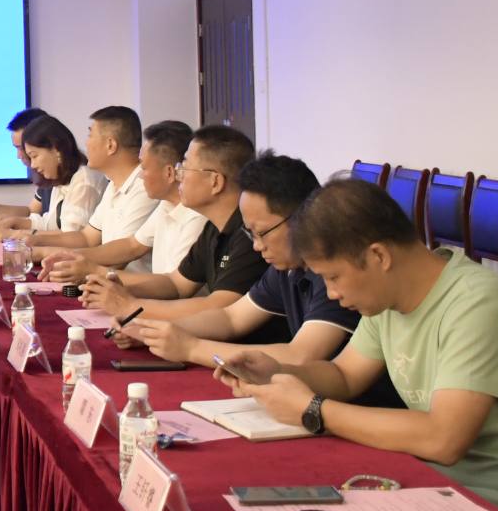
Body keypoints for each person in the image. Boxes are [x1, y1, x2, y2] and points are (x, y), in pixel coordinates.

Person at [220, 178, 498, 511]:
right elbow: (344, 375)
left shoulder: (478, 305)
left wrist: (312, 409)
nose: (331, 293)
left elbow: (444, 439)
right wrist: (277, 372)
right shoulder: (388, 299)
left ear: (379, 256)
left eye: (333, 277)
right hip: (441, 488)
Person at [122, 150, 354, 366]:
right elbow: (231, 318)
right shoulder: (286, 268)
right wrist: (154, 332)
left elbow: (300, 355)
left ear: (302, 218)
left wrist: (191, 348)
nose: (256, 246)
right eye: (250, 233)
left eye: (262, 233)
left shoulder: (333, 273)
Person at [79, 125, 266, 321]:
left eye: (184, 168)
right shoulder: (213, 227)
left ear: (215, 182)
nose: (178, 175)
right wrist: (122, 290)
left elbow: (219, 307)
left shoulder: (249, 233)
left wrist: (130, 306)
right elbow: (176, 283)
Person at [42, 119, 204, 282]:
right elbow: (132, 245)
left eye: (144, 168)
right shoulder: (166, 204)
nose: (141, 175)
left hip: (152, 294)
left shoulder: (196, 216)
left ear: (169, 173)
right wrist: (71, 256)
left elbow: (174, 286)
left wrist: (94, 270)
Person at [24, 107, 157, 263]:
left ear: (110, 145)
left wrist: (43, 253)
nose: (86, 143)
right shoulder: (113, 185)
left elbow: (120, 257)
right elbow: (87, 238)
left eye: (90, 135)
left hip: (124, 277)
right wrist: (36, 240)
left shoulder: (144, 186)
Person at [0, 113, 102, 237]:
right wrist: (15, 222)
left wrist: (20, 233)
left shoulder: (84, 181)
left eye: (34, 156)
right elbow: (49, 222)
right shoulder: (60, 178)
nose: (32, 165)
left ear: (56, 149)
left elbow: (72, 236)